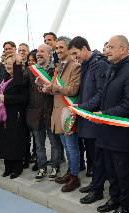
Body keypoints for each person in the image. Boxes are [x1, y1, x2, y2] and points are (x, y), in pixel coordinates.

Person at [78, 35, 129, 213]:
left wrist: (104, 114)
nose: (106, 51)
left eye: (111, 48)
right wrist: (84, 108)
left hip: (122, 136)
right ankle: (114, 200)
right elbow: (101, 95)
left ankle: (125, 206)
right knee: (111, 172)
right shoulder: (112, 69)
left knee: (123, 174)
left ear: (123, 49)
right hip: (106, 132)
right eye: (107, 48)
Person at [36, 36, 81, 192]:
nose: (58, 50)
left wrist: (53, 87)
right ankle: (70, 171)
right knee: (66, 147)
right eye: (57, 48)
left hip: (68, 112)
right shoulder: (57, 67)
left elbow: (73, 89)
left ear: (69, 49)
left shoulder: (75, 66)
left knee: (72, 147)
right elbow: (52, 88)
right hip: (57, 112)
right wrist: (43, 86)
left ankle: (75, 176)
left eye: (61, 48)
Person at [68, 36, 109, 204]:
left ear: (84, 48)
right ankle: (94, 185)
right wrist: (80, 105)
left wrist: (82, 107)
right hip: (87, 117)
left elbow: (101, 94)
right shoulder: (86, 64)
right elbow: (87, 92)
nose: (74, 57)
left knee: (98, 158)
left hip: (94, 119)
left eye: (75, 53)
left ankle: (98, 190)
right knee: (93, 157)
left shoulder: (99, 64)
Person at [14, 44, 61, 182]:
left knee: (54, 143)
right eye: (38, 52)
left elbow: (59, 90)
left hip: (51, 112)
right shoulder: (31, 70)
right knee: (39, 144)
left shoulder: (56, 70)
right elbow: (19, 81)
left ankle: (55, 167)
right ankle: (42, 167)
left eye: (42, 51)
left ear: (50, 54)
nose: (39, 54)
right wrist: (18, 63)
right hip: (35, 114)